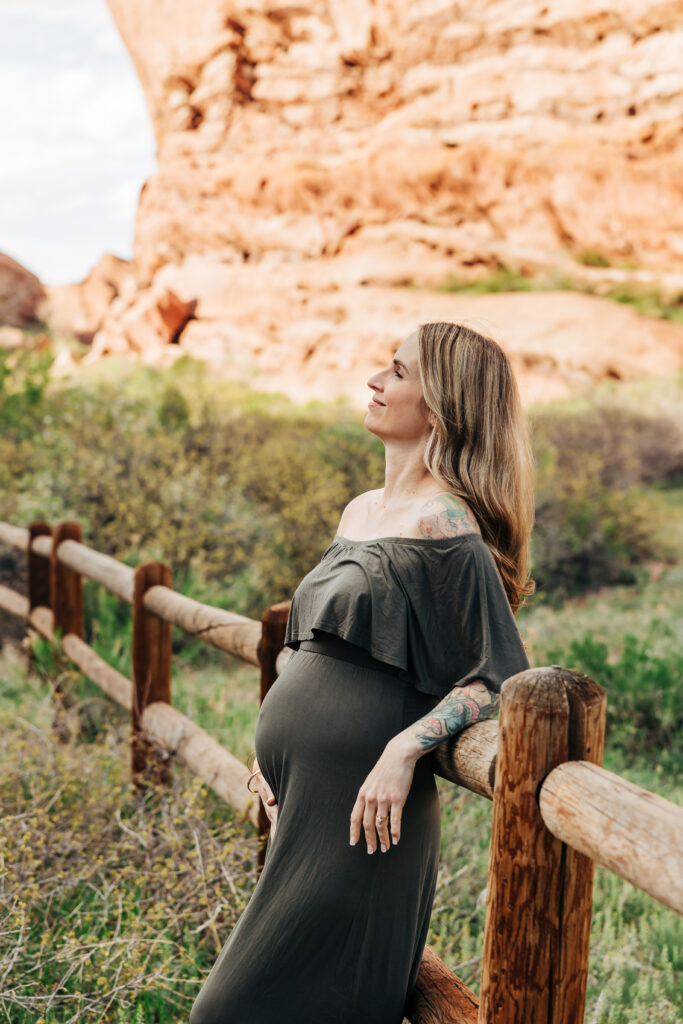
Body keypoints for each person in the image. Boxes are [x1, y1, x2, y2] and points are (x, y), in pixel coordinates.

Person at [190, 321, 533, 1024]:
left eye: (398, 372)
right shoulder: (362, 512)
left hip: (362, 823)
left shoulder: (446, 527)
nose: (375, 382)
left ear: (442, 404)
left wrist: (404, 748)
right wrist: (269, 755)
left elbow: (496, 676)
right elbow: (307, 649)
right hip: (301, 804)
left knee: (225, 1014)